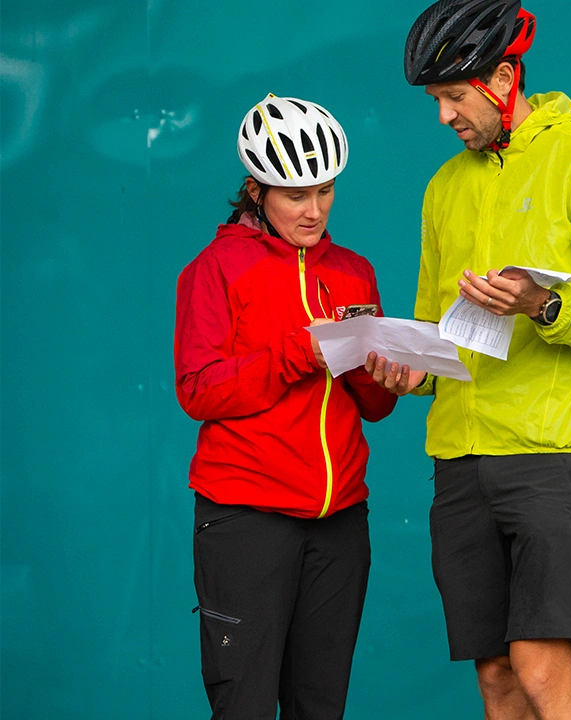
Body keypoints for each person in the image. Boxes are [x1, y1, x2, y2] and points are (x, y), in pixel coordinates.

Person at [370, 2, 571, 718]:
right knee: (496, 675)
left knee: (539, 666)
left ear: (503, 78)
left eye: (454, 98)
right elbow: (440, 334)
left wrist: (544, 307)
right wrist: (410, 370)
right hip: (460, 460)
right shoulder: (444, 188)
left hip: (549, 453)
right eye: (437, 101)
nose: (444, 117)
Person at [174, 93, 397, 719]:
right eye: (296, 195)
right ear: (256, 191)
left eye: (325, 191)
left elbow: (375, 408)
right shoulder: (215, 269)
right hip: (246, 516)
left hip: (341, 521)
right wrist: (299, 353)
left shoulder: (355, 272)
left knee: (320, 707)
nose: (315, 209)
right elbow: (198, 388)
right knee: (243, 706)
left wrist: (382, 371)